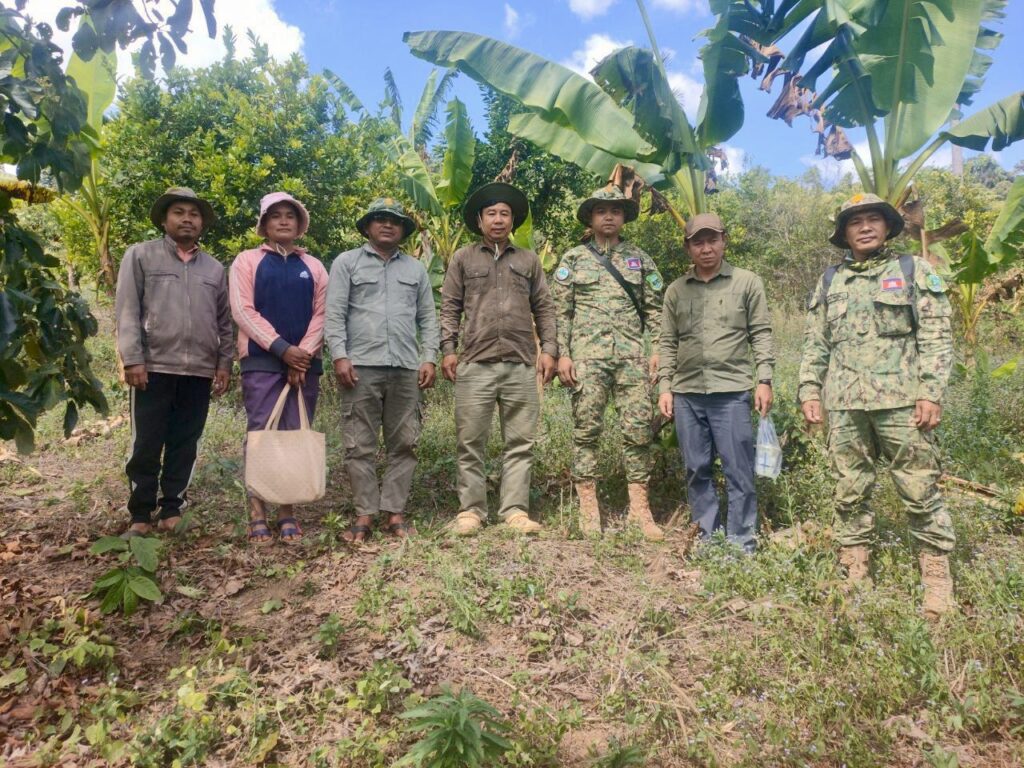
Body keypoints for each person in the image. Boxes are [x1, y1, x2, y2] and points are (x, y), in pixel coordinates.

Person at [798, 193, 955, 618]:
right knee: (849, 489)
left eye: (873, 219)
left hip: (902, 404)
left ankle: (936, 579)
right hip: (845, 404)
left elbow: (936, 336)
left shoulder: (911, 270)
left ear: (887, 227)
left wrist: (930, 392)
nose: (865, 227)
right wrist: (809, 390)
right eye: (855, 222)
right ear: (844, 233)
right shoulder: (830, 281)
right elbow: (816, 342)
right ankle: (855, 571)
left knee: (919, 489)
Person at [440, 182, 557, 536]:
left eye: (505, 213)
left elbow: (544, 307)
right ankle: (471, 511)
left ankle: (515, 511)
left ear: (513, 220)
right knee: (470, 441)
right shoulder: (463, 258)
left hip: (520, 363)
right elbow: (449, 306)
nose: (498, 219)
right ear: (480, 220)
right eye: (491, 213)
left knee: (520, 443)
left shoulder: (528, 260)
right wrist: (448, 349)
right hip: (475, 362)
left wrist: (549, 349)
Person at [115, 187, 233, 537]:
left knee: (186, 441)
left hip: (199, 369)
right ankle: (140, 514)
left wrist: (224, 364)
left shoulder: (214, 268)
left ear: (202, 223)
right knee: (146, 442)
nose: (187, 219)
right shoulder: (141, 255)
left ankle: (172, 509)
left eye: (194, 214)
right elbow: (127, 310)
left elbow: (224, 322)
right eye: (179, 212)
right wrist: (133, 359)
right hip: (154, 367)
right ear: (165, 219)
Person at [657, 213, 774, 553]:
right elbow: (667, 341)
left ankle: (741, 543)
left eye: (712, 240)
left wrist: (764, 379)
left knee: (738, 469)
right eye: (698, 242)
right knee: (696, 468)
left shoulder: (747, 282)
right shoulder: (676, 290)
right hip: (687, 393)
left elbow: (761, 333)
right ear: (688, 248)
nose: (706, 248)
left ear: (724, 241)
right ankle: (706, 539)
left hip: (731, 391)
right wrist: (665, 387)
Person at [552, 185, 665, 539]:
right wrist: (563, 354)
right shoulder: (573, 260)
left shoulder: (640, 260)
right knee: (586, 432)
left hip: (632, 359)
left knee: (638, 432)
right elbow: (561, 313)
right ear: (591, 217)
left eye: (616, 211)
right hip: (587, 361)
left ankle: (640, 510)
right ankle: (589, 508)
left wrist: (658, 349)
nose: (609, 217)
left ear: (624, 218)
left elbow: (655, 310)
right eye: (602, 211)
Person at [324, 198, 439, 542]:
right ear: (367, 226)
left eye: (395, 221)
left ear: (403, 229)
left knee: (405, 442)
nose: (388, 225)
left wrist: (429, 357)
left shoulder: (416, 269)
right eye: (380, 219)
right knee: (359, 444)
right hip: (360, 366)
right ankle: (364, 514)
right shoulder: (347, 263)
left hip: (405, 367)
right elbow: (334, 314)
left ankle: (395, 513)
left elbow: (428, 318)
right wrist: (339, 356)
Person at [229, 192, 328, 544]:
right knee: (262, 432)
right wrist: (282, 350)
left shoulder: (314, 266)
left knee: (293, 433)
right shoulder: (247, 261)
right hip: (261, 361)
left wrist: (303, 355)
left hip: (305, 363)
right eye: (276, 215)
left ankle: (287, 511)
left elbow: (323, 314)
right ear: (264, 224)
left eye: (290, 215)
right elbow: (242, 310)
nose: (283, 220)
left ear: (299, 225)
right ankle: (257, 512)